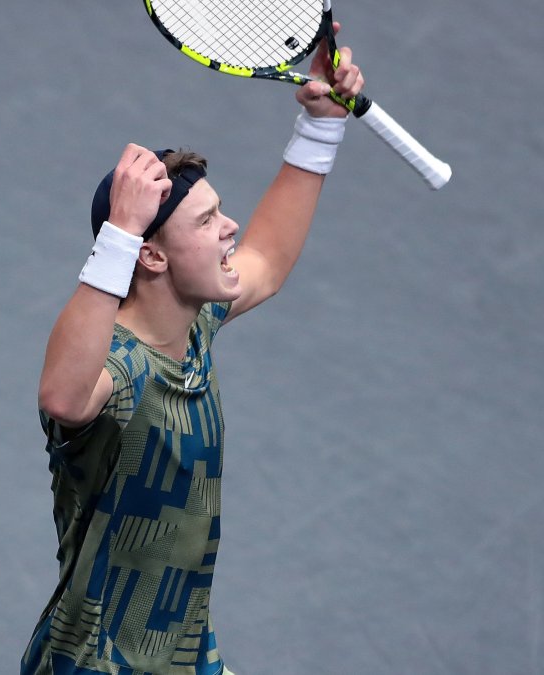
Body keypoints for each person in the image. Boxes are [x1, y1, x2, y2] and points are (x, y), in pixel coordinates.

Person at [22, 26, 365, 675]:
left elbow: (266, 259)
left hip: (182, 655)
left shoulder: (196, 326)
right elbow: (64, 394)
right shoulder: (117, 372)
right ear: (149, 255)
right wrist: (119, 232)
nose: (228, 226)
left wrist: (321, 125)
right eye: (205, 222)